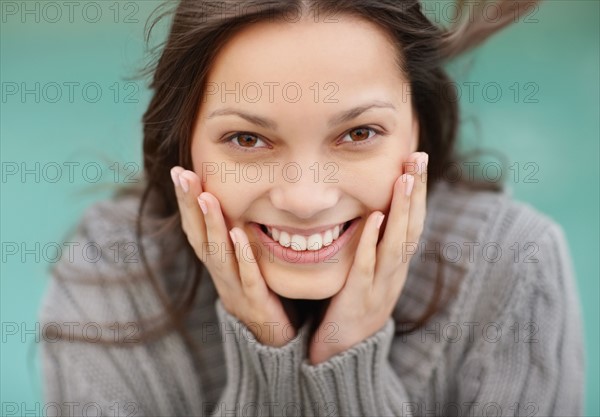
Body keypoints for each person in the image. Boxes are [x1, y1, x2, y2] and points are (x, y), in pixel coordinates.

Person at [39, 1, 585, 416]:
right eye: (248, 140)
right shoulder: (111, 273)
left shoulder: (512, 262)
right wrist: (266, 355)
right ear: (183, 142)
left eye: (359, 132)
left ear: (417, 127)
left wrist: (347, 352)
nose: (305, 199)